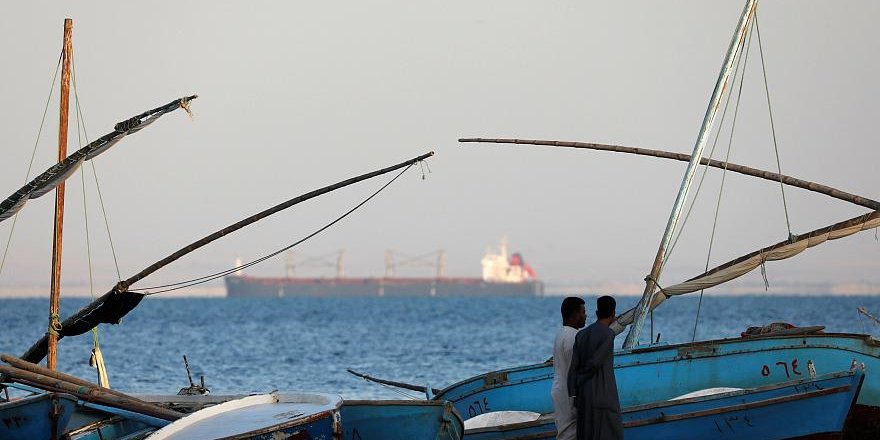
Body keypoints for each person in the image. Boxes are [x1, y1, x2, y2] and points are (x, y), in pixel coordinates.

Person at [567, 295, 623, 440]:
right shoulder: (608, 334)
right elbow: (595, 362)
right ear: (613, 313)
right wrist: (581, 377)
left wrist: (574, 391)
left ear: (597, 312)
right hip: (604, 394)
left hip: (584, 395)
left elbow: (573, 367)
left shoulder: (582, 335)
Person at [551, 296, 586, 440]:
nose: (585, 315)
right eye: (583, 312)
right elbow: (576, 369)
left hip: (559, 390)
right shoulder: (575, 337)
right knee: (571, 434)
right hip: (570, 393)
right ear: (573, 315)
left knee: (564, 432)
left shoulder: (561, 334)